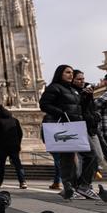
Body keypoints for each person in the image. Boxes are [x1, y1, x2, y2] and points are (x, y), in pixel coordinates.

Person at [40, 64, 97, 199]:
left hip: (76, 126)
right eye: (67, 72)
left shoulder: (73, 90)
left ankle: (83, 185)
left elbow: (78, 106)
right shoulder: (54, 88)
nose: (70, 75)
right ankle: (69, 188)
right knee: (67, 159)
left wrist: (88, 97)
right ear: (60, 73)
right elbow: (44, 104)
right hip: (65, 126)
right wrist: (61, 113)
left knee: (92, 155)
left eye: (71, 72)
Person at [0, 104, 26, 188]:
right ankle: (22, 181)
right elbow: (20, 133)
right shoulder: (14, 120)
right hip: (14, 146)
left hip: (2, 146)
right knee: (17, 164)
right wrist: (18, 143)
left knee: (1, 164)